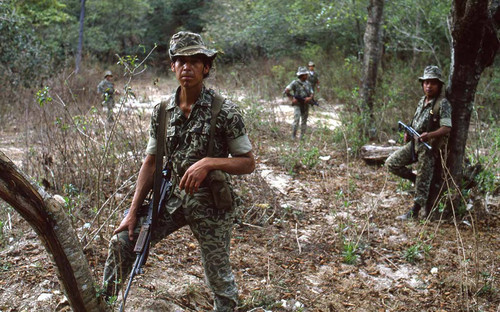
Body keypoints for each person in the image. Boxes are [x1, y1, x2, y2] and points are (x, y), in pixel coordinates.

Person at [102, 31, 255, 311]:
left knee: (218, 275)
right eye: (181, 61)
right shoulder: (162, 111)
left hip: (211, 203)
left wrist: (210, 162)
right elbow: (150, 162)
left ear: (206, 67)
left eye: (195, 61)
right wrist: (132, 211)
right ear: (172, 66)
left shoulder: (225, 111)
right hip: (171, 198)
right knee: (123, 242)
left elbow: (247, 162)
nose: (187, 67)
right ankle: (102, 304)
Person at [385, 65, 452, 220]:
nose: (428, 86)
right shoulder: (422, 100)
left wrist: (430, 135)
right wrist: (409, 133)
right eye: (426, 82)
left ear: (439, 85)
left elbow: (447, 128)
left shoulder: (442, 104)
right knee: (391, 163)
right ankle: (413, 179)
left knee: (424, 179)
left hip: (429, 148)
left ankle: (414, 212)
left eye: (433, 83)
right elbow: (416, 121)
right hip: (415, 143)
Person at [284, 66, 314, 140]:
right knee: (296, 120)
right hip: (297, 104)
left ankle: (302, 137)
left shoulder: (308, 83)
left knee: (304, 121)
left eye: (306, 74)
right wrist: (292, 99)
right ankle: (293, 136)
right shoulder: (295, 83)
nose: (306, 76)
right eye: (305, 74)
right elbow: (287, 90)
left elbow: (312, 93)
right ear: (301, 75)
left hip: (305, 104)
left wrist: (309, 98)